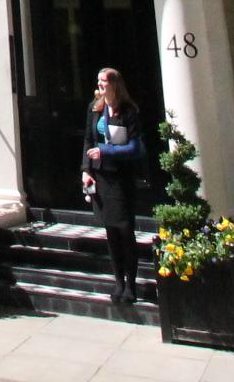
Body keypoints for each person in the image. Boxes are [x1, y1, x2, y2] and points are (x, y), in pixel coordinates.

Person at [80, 66, 144, 307]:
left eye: (104, 81)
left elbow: (135, 148)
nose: (100, 84)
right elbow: (88, 140)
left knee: (125, 231)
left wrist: (105, 151)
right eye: (98, 80)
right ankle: (118, 282)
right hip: (101, 177)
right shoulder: (95, 108)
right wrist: (86, 170)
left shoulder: (128, 111)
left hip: (121, 178)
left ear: (115, 84)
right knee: (110, 233)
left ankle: (131, 284)